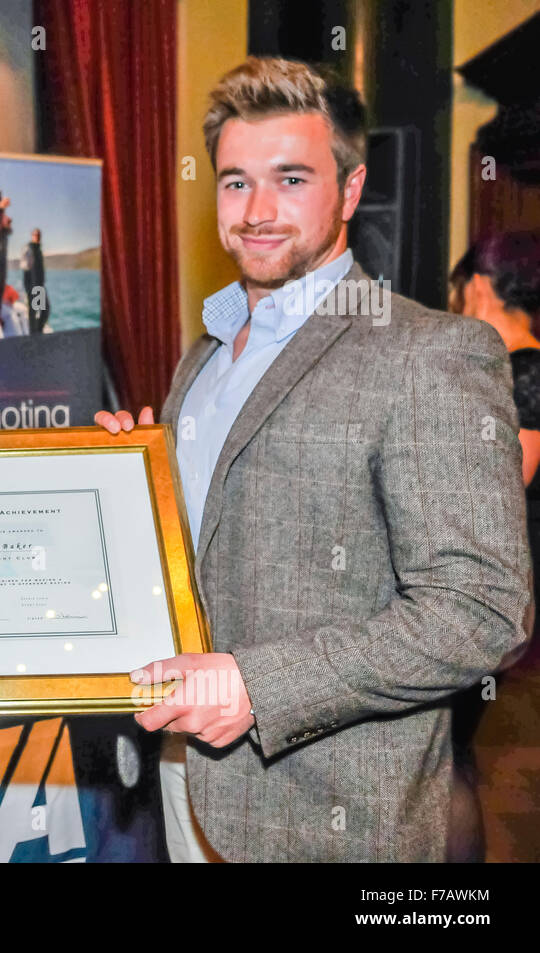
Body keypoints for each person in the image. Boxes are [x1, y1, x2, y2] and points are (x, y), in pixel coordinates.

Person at [96, 57, 531, 862]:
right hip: (179, 777)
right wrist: (126, 485)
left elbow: (483, 610)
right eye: (234, 182)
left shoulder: (427, 353)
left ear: (351, 190)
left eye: (290, 178)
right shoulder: (204, 356)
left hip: (326, 817)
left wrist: (259, 688)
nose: (256, 211)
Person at [445, 229, 540, 862]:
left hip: (486, 590)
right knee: (448, 752)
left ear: (477, 287)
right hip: (492, 584)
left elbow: (505, 483)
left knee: (442, 756)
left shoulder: (522, 369)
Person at [22, 228, 50, 334]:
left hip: (39, 284)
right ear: (32, 236)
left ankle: (38, 331)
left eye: (38, 235)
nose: (37, 237)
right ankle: (34, 334)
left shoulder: (38, 250)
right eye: (35, 235)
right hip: (33, 286)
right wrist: (29, 287)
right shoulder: (29, 250)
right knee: (35, 312)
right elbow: (26, 269)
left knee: (44, 310)